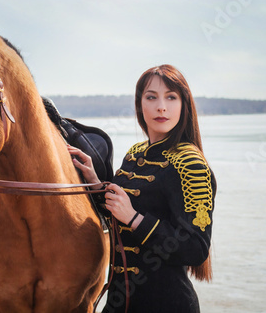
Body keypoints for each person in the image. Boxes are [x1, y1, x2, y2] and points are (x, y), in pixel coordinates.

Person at [68, 64, 216, 313]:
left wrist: (135, 219)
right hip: (119, 303)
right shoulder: (135, 153)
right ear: (139, 105)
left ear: (184, 105)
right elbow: (117, 215)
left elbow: (195, 249)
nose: (161, 106)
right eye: (151, 97)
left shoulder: (190, 165)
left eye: (171, 97)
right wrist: (94, 182)